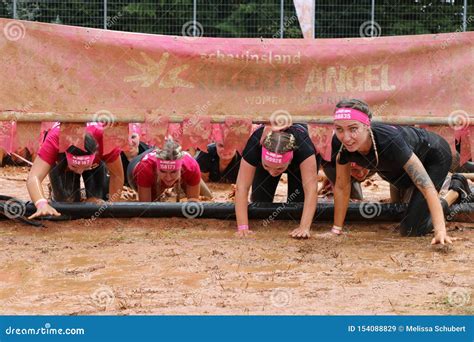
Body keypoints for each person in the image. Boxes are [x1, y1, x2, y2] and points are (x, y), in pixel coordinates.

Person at [328, 98, 471, 244]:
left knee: (411, 229)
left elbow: (426, 187)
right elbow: (342, 186)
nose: (346, 137)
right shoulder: (338, 142)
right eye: (339, 129)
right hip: (400, 165)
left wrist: (440, 231)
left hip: (434, 157)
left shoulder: (389, 140)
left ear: (367, 125)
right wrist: (336, 229)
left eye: (353, 129)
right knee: (405, 206)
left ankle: (455, 191)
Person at [235, 124, 319, 239]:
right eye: (267, 166)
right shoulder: (255, 143)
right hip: (266, 155)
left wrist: (304, 227)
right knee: (260, 201)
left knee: (297, 205)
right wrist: (243, 227)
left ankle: (277, 166)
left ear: (290, 159)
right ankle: (272, 166)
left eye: (279, 168)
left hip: (298, 165)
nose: (272, 173)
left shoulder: (304, 149)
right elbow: (242, 187)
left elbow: (311, 190)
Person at [26, 123, 124, 219]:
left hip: (96, 165)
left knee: (100, 204)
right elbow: (34, 176)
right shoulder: (54, 139)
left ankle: (85, 169)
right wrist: (41, 203)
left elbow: (117, 175)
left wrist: (113, 205)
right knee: (66, 207)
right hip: (62, 164)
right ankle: (57, 187)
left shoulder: (105, 139)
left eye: (85, 167)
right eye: (74, 166)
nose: (80, 172)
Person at [127, 137, 202, 202]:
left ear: (181, 168)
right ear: (156, 169)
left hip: (169, 158)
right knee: (153, 200)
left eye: (173, 172)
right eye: (163, 171)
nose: (168, 178)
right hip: (136, 167)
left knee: (203, 192)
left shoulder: (191, 167)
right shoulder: (145, 169)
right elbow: (145, 208)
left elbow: (194, 203)